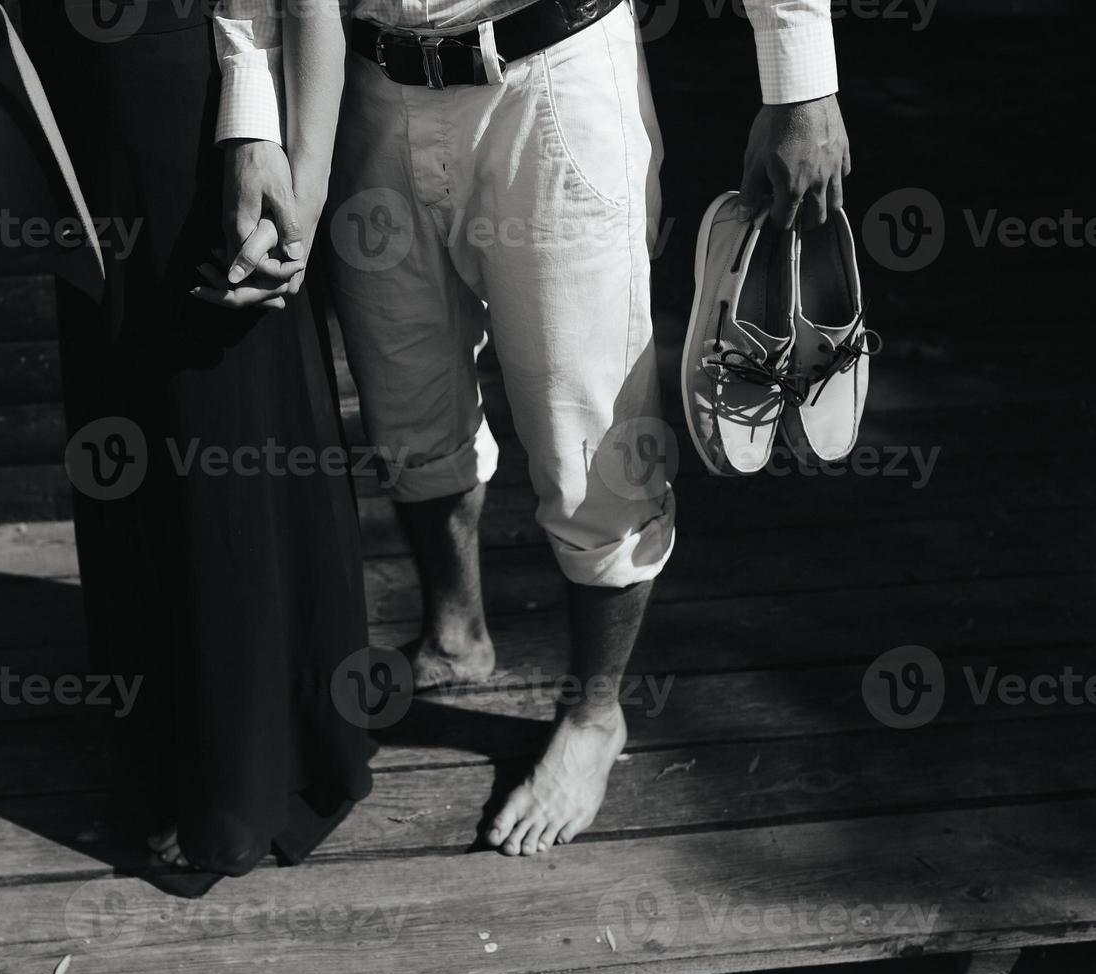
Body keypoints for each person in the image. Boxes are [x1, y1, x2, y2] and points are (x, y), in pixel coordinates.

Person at [215, 0, 850, 857]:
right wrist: (252, 109)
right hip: (360, 83)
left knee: (594, 439)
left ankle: (594, 714)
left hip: (551, 76)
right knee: (407, 404)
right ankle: (455, 633)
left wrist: (801, 85)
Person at [0, 0, 373, 890]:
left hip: (187, 89)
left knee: (213, 425)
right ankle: (176, 754)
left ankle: (244, 781)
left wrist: (286, 156)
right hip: (72, 81)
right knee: (127, 415)